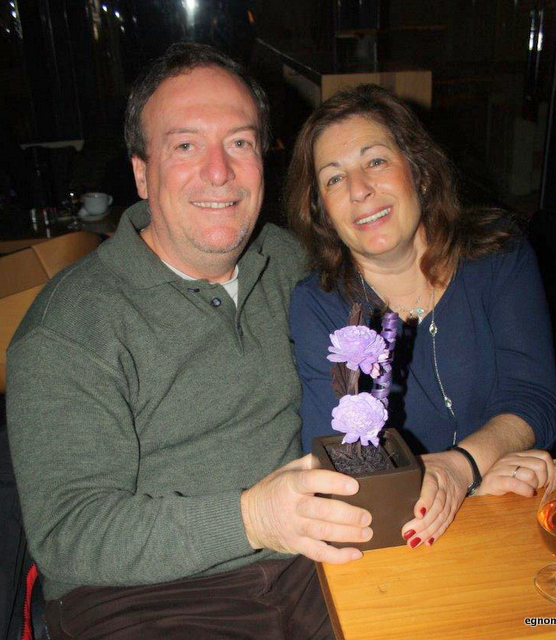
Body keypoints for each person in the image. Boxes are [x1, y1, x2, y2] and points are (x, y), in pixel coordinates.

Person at [6, 44, 373, 640]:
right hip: (142, 599)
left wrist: (471, 457)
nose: (219, 171)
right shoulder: (68, 329)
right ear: (141, 173)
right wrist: (251, 519)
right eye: (185, 146)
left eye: (239, 142)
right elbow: (69, 534)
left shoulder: (288, 261)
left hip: (310, 566)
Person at [286, 84, 556, 550]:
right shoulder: (319, 304)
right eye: (334, 179)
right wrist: (465, 485)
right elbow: (338, 460)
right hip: (409, 534)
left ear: (421, 172)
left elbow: (534, 397)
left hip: (517, 509)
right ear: (323, 213)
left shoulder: (498, 253)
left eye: (376, 161)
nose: (359, 190)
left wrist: (462, 468)